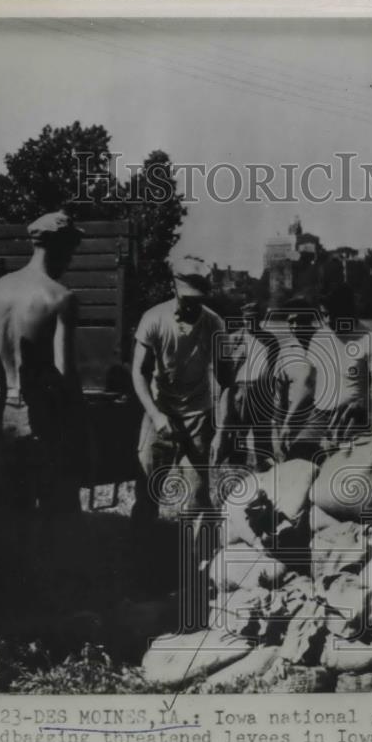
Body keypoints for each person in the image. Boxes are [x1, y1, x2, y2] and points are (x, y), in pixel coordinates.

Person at [131, 255, 230, 601]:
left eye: (199, 301)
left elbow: (227, 380)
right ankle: (140, 568)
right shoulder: (153, 319)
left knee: (199, 496)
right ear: (174, 288)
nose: (192, 308)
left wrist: (220, 429)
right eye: (187, 300)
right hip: (160, 413)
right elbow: (138, 373)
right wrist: (157, 417)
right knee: (147, 494)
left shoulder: (214, 323)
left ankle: (198, 574)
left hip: (198, 417)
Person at [0, 211, 86, 515]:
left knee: (13, 510)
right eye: (71, 251)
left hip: (3, 415)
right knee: (59, 509)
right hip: (44, 417)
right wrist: (79, 430)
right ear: (62, 248)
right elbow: (65, 373)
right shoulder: (60, 297)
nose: (71, 260)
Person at [305, 283, 372, 447]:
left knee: (341, 467)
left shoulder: (370, 340)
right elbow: (308, 384)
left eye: (333, 314)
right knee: (295, 458)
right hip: (318, 416)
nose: (328, 320)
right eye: (324, 315)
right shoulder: (319, 337)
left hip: (352, 417)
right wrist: (289, 422)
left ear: (347, 310)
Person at [215, 301, 279, 471]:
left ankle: (265, 476)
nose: (250, 323)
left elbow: (273, 370)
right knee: (237, 437)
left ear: (260, 318)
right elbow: (226, 374)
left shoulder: (270, 340)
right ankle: (235, 474)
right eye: (247, 319)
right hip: (240, 393)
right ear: (242, 319)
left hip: (262, 392)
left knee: (263, 438)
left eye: (254, 319)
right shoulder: (235, 339)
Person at [272, 296, 320, 461]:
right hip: (294, 422)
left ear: (310, 320)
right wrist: (278, 434)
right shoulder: (285, 353)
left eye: (301, 321)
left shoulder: (327, 346)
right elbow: (279, 397)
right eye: (291, 322)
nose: (295, 326)